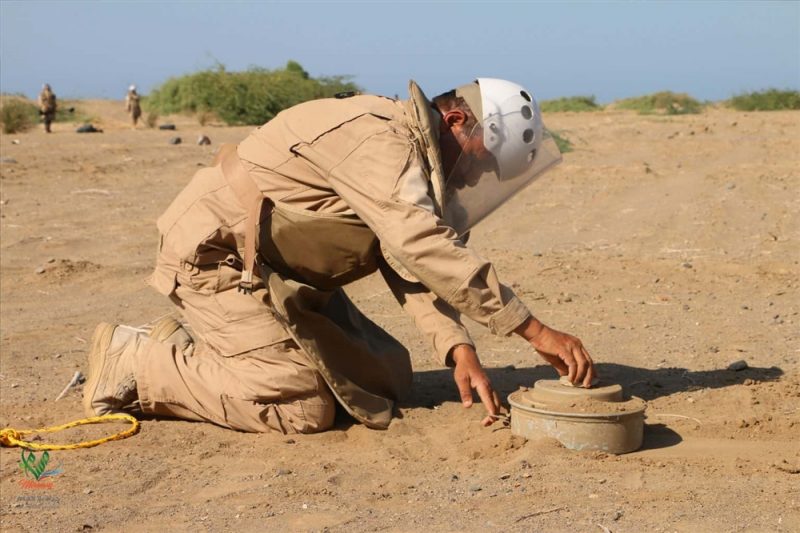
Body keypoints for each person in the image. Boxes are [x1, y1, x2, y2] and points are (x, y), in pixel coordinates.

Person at [83, 78, 596, 434]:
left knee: (387, 377)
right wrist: (533, 330)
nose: (477, 178)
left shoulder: (406, 150)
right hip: (215, 259)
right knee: (303, 405)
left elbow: (405, 260)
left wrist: (458, 349)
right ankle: (141, 361)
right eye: (483, 162)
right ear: (458, 119)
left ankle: (218, 347)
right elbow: (421, 245)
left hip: (275, 268)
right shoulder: (382, 139)